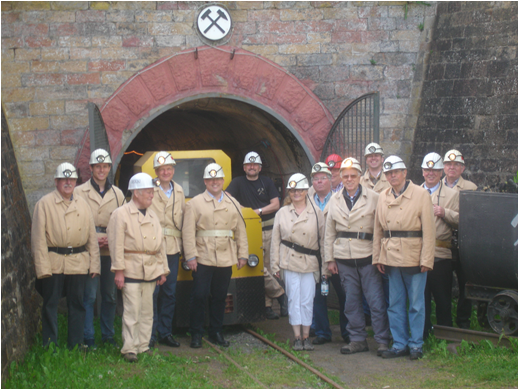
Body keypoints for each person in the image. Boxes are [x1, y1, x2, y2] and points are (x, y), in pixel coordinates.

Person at [31, 162, 100, 350]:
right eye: (64, 179)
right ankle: (50, 345)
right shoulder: (44, 204)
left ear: (76, 182)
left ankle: (76, 344)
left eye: (71, 179)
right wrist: (42, 269)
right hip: (54, 262)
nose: (68, 183)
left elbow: (91, 238)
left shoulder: (83, 205)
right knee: (50, 304)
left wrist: (94, 265)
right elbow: (38, 240)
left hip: (78, 262)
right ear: (56, 181)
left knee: (77, 304)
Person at [373, 156, 435, 360]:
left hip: (413, 256)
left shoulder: (421, 194)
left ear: (405, 173)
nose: (392, 176)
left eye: (395, 172)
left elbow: (429, 230)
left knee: (416, 304)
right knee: (395, 303)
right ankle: (399, 343)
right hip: (390, 256)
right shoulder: (382, 196)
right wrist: (378, 257)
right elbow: (378, 230)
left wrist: (427, 259)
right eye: (389, 173)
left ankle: (416, 344)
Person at [326, 158, 390, 356]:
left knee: (375, 301)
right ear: (341, 178)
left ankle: (382, 340)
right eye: (345, 176)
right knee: (351, 302)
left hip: (367, 256)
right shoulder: (334, 199)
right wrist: (330, 259)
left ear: (360, 177)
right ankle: (357, 339)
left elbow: (380, 228)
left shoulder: (374, 197)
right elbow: (329, 232)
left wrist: (379, 256)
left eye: (353, 175)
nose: (349, 179)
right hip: (344, 257)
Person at [183, 163, 248, 348]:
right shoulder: (194, 203)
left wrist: (242, 254)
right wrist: (190, 256)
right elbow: (188, 232)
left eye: (218, 179)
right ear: (205, 181)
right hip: (203, 256)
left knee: (220, 296)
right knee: (199, 295)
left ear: (223, 180)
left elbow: (240, 230)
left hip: (225, 256)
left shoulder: (233, 203)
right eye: (211, 179)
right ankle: (196, 333)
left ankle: (216, 332)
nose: (214, 182)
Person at [108, 172, 169, 363]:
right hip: (131, 269)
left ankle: (143, 345)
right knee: (132, 310)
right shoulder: (121, 214)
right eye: (148, 192)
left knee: (147, 311)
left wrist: (163, 269)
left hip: (150, 269)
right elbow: (116, 243)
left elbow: (160, 245)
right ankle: (129, 347)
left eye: (152, 192)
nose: (152, 195)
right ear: (136, 193)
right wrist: (119, 270)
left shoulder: (152, 215)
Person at [226, 151, 287, 320]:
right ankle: (281, 295)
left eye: (255, 165)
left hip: (268, 230)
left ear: (259, 168)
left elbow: (276, 204)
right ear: (244, 167)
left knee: (266, 266)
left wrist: (258, 211)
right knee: (258, 267)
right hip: (248, 231)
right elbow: (227, 198)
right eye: (248, 165)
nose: (251, 167)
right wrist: (243, 211)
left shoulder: (267, 182)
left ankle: (267, 306)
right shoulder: (237, 182)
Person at [74, 149, 124, 349]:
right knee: (90, 295)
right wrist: (92, 238)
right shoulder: (79, 192)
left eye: (105, 166)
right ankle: (88, 336)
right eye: (98, 166)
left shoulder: (118, 194)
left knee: (110, 295)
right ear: (91, 168)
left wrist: (110, 239)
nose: (101, 170)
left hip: (110, 251)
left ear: (109, 168)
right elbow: (76, 219)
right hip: (89, 249)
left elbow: (122, 221)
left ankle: (108, 334)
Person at [271, 173, 325, 351]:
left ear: (305, 191)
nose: (296, 194)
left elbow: (323, 241)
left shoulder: (316, 213)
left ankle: (306, 335)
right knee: (294, 298)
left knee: (307, 300)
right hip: (289, 261)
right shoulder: (282, 213)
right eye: (293, 190)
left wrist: (325, 266)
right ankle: (296, 336)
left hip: (309, 261)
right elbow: (275, 241)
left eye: (300, 190)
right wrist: (275, 264)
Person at [307, 162, 350, 346]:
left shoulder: (340, 199)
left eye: (323, 178)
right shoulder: (306, 201)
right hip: (316, 257)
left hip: (337, 256)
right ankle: (322, 331)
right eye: (315, 179)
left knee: (345, 295)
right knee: (318, 296)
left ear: (331, 180)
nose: (319, 182)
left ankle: (348, 332)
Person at [148, 152, 185, 348]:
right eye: (162, 169)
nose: (165, 172)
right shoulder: (148, 189)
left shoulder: (179, 190)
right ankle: (150, 333)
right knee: (153, 291)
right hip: (153, 246)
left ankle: (165, 332)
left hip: (172, 247)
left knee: (169, 292)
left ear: (173, 170)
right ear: (156, 171)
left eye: (169, 169)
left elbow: (184, 221)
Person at [421, 153, 459, 338]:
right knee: (421, 299)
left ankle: (446, 334)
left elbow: (463, 220)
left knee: (443, 298)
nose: (431, 173)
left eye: (434, 170)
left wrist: (445, 212)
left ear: (440, 171)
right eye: (427, 170)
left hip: (440, 254)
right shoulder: (415, 192)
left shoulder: (452, 194)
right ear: (422, 171)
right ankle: (424, 334)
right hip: (418, 255)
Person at [443, 149, 477, 329]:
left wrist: (446, 214)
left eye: (456, 164)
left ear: (462, 168)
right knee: (443, 285)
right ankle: (445, 321)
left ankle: (463, 321)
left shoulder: (470, 188)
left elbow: (471, 217)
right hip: (443, 243)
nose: (452, 168)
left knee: (465, 283)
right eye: (448, 164)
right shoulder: (435, 186)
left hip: (463, 243)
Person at [359, 142, 390, 324]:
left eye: (376, 156)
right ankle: (367, 316)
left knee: (384, 279)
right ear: (366, 160)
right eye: (370, 157)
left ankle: (384, 316)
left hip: (385, 236)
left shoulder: (390, 178)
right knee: (366, 280)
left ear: (382, 158)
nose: (373, 158)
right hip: (365, 236)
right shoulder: (360, 181)